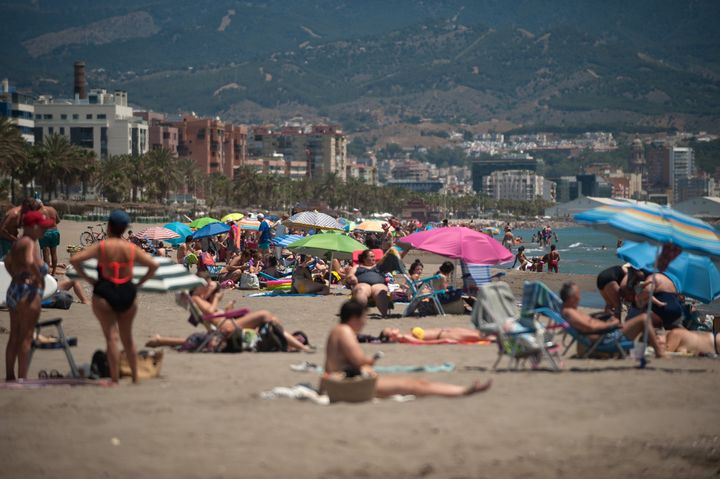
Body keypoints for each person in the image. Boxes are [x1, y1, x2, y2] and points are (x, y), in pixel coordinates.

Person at [323, 300, 492, 398]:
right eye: (363, 317)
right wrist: (371, 360)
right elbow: (359, 360)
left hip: (339, 383)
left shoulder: (335, 331)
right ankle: (461, 391)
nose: (365, 322)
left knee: (413, 384)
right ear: (354, 317)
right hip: (349, 387)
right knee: (412, 385)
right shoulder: (345, 331)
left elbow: (329, 366)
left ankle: (461, 391)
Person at [70, 210, 159, 384]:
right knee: (128, 338)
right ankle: (134, 378)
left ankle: (115, 379)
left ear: (109, 226)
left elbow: (75, 260)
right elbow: (153, 266)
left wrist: (90, 279)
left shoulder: (103, 246)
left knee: (111, 337)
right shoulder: (130, 248)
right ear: (125, 229)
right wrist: (138, 284)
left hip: (104, 291)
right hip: (127, 291)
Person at [189, 271, 312, 351]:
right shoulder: (196, 298)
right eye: (208, 285)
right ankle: (298, 346)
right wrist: (215, 298)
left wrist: (227, 310)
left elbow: (213, 315)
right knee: (265, 315)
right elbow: (210, 313)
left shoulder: (201, 299)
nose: (209, 288)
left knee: (270, 322)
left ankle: (292, 345)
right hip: (226, 328)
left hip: (227, 324)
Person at [4, 211, 55, 380]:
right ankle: (23, 377)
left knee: (14, 336)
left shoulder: (18, 242)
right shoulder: (30, 242)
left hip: (15, 289)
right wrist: (39, 278)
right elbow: (29, 261)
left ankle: (11, 376)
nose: (43, 231)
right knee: (26, 337)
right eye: (41, 227)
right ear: (32, 227)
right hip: (29, 292)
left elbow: (8, 263)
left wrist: (16, 277)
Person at [560, 282, 665, 358]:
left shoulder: (571, 311)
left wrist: (607, 321)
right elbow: (590, 327)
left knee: (643, 319)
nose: (579, 297)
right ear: (572, 297)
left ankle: (644, 350)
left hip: (605, 334)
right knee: (644, 318)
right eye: (578, 294)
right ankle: (658, 352)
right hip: (606, 337)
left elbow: (589, 324)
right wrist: (611, 325)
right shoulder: (570, 312)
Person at [346, 249, 389, 316]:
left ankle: (385, 315)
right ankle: (359, 315)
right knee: (361, 290)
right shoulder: (357, 266)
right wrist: (352, 277)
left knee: (380, 291)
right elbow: (350, 275)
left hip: (378, 284)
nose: (374, 258)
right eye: (371, 257)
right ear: (364, 258)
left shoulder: (379, 265)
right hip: (362, 284)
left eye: (374, 256)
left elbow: (392, 264)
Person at [379, 326, 489, 343]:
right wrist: (443, 341)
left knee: (478, 334)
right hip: (444, 336)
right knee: (478, 337)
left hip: (446, 331)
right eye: (390, 330)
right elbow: (421, 344)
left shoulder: (404, 335)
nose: (393, 328)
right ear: (391, 337)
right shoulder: (404, 338)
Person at [39, 202, 61, 276]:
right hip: (55, 232)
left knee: (46, 253)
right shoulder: (52, 209)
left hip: (45, 233)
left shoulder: (39, 211)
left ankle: (47, 272)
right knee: (54, 253)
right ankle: (53, 272)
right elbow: (58, 221)